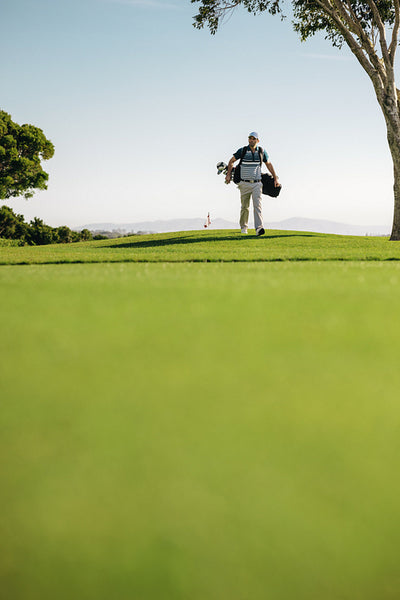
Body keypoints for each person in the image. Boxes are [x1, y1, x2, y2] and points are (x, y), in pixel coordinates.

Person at [225, 132, 279, 236]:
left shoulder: (262, 152)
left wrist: (275, 178)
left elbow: (269, 164)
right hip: (244, 183)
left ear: (257, 141)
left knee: (257, 206)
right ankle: (244, 227)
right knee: (245, 207)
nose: (251, 140)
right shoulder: (243, 150)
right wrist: (228, 175)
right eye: (250, 138)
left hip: (257, 184)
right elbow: (231, 161)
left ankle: (259, 228)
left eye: (254, 139)